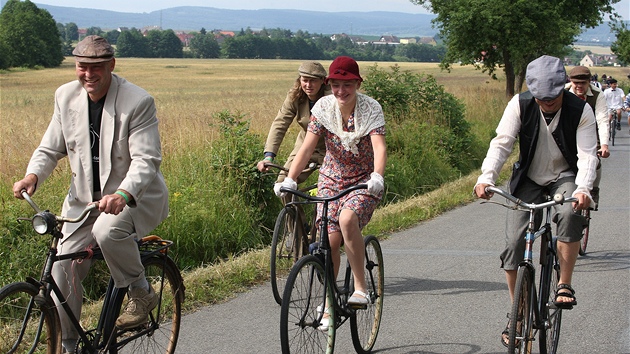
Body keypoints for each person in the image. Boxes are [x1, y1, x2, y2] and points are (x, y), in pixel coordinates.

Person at [12, 35, 169, 354]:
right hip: (84, 202)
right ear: (75, 66)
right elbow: (49, 147)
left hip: (133, 197)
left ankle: (140, 290)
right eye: (82, 66)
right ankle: (69, 345)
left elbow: (146, 159)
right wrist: (32, 175)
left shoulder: (137, 101)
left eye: (97, 67)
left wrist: (124, 193)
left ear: (111, 65)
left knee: (106, 231)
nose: (88, 74)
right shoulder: (65, 96)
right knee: (61, 267)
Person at [473, 55, 598, 348]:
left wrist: (583, 189)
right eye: (541, 98)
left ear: (562, 87)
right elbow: (502, 143)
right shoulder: (519, 104)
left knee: (570, 213)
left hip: (565, 175)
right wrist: (486, 178)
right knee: (513, 242)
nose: (547, 102)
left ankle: (564, 283)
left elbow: (588, 155)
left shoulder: (581, 110)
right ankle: (518, 310)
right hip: (528, 178)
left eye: (553, 97)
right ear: (533, 91)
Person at [273, 56, 387, 331]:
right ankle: (328, 302)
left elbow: (379, 146)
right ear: (330, 85)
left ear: (357, 83)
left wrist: (377, 176)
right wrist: (289, 179)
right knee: (328, 241)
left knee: (348, 220)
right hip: (331, 178)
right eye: (335, 85)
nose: (340, 91)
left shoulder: (371, 108)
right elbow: (308, 146)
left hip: (363, 180)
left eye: (347, 85)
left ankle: (360, 288)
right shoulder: (323, 108)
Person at [256, 61, 329, 186]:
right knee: (283, 183)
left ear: (323, 81)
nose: (308, 85)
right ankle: (292, 206)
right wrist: (269, 156)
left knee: (331, 187)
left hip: (330, 147)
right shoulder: (295, 96)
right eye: (305, 80)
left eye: (313, 81)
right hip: (305, 144)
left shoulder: (332, 97)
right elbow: (280, 123)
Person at [566, 65, 609, 208]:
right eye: (575, 83)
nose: (579, 86)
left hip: (590, 132)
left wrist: (604, 145)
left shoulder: (597, 95)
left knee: (595, 160)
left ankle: (594, 189)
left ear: (589, 82)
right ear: (570, 81)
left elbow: (602, 120)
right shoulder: (562, 92)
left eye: (583, 83)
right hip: (567, 132)